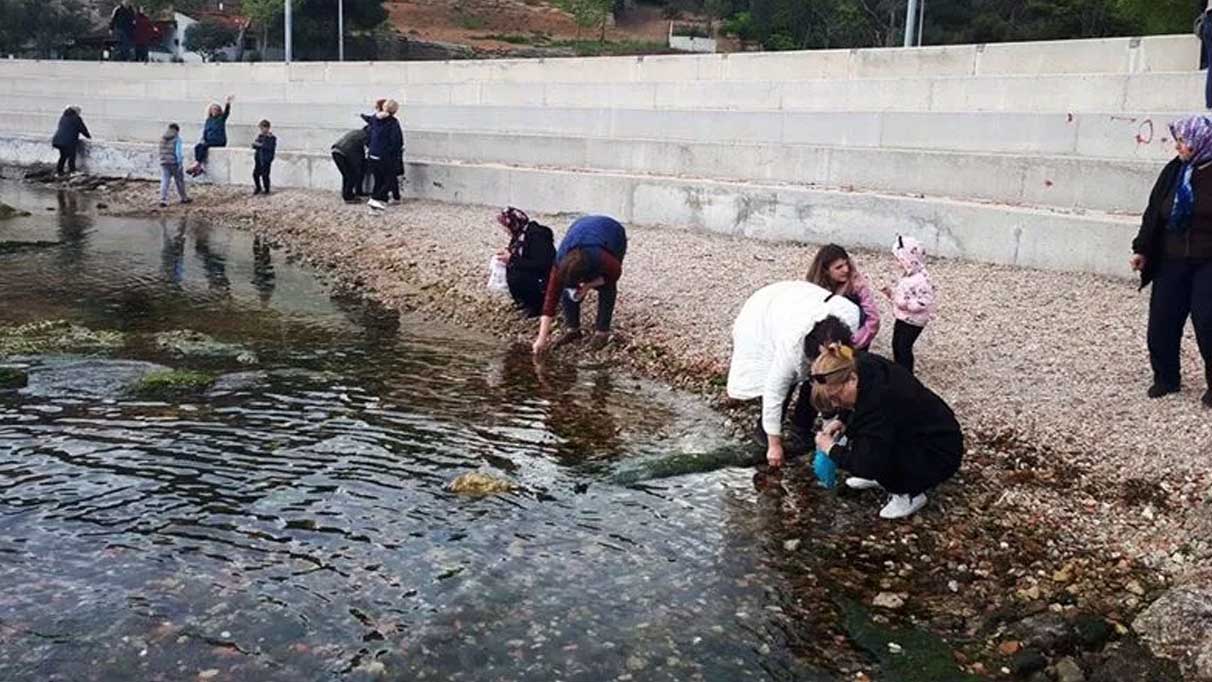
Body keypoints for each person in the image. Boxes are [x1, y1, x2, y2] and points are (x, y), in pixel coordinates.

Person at [810, 343, 963, 519]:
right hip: (923, 428)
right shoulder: (861, 364)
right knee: (869, 442)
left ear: (852, 379)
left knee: (871, 458)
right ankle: (884, 477)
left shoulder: (879, 404)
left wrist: (830, 448)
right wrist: (841, 419)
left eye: (836, 397)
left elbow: (865, 464)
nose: (835, 404)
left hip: (938, 453)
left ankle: (909, 494)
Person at [727, 281, 861, 468]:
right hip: (767, 310)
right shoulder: (791, 350)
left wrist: (835, 422)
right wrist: (774, 445)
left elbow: (837, 379)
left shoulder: (848, 321)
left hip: (805, 300)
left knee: (820, 381)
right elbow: (774, 392)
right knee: (786, 384)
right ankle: (764, 434)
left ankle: (801, 427)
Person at [1131, 115, 1212, 407]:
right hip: (1172, 257)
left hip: (1207, 259)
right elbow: (1155, 211)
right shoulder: (1174, 171)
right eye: (1177, 140)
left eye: (1184, 141)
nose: (1178, 146)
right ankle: (1166, 377)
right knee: (1162, 319)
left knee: (1207, 318)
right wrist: (1142, 249)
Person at [531, 215, 627, 355]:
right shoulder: (560, 264)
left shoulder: (601, 258)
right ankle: (573, 330)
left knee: (607, 287)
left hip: (612, 232)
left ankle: (602, 332)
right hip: (580, 227)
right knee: (568, 290)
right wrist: (541, 339)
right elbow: (550, 301)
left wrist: (588, 285)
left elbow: (615, 274)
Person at [879, 236, 937, 374]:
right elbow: (903, 295)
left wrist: (908, 305)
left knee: (904, 346)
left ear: (908, 260)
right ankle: (899, 370)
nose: (896, 262)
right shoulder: (909, 276)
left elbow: (926, 300)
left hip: (914, 321)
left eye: (898, 259)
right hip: (903, 317)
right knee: (896, 344)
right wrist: (891, 294)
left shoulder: (921, 280)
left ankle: (905, 374)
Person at [806, 244, 881, 349]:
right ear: (825, 270)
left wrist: (854, 342)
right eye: (839, 267)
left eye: (847, 264)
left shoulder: (857, 285)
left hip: (854, 338)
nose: (846, 270)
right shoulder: (815, 288)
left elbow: (873, 318)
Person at [496, 207, 556, 318]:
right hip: (534, 273)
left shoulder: (537, 235)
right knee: (512, 270)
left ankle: (536, 305)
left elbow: (543, 264)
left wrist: (512, 259)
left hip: (543, 278)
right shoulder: (520, 235)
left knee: (518, 275)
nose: (505, 230)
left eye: (505, 227)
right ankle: (524, 302)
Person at [362, 100, 403, 211]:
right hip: (385, 156)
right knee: (389, 180)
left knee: (378, 180)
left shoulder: (375, 119)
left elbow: (369, 124)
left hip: (372, 154)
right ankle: (375, 199)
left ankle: (375, 206)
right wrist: (395, 152)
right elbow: (397, 141)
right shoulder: (393, 122)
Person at [187, 96, 233, 177]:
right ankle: (198, 166)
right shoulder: (208, 120)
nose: (214, 111)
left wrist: (228, 103)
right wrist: (203, 139)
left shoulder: (221, 119)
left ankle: (197, 164)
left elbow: (226, 113)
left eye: (216, 109)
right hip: (209, 140)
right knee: (198, 146)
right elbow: (205, 131)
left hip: (219, 140)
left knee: (204, 146)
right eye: (213, 110)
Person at [331, 127, 369, 203]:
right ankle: (348, 197)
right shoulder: (365, 137)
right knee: (351, 176)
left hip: (336, 151)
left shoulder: (357, 132)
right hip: (343, 153)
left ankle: (348, 195)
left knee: (347, 176)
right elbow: (357, 155)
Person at [51, 106, 91, 176]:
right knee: (72, 156)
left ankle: (59, 172)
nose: (79, 113)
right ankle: (72, 171)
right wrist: (88, 136)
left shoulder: (63, 117)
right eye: (79, 112)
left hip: (57, 140)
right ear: (76, 112)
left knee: (63, 156)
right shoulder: (76, 118)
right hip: (68, 141)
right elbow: (82, 128)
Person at [158, 123, 190, 207]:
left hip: (164, 162)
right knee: (179, 181)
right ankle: (183, 198)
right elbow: (178, 152)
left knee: (165, 180)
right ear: (177, 130)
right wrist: (180, 162)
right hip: (174, 163)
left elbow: (160, 150)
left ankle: (163, 199)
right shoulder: (177, 139)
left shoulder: (162, 138)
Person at [251, 119, 276, 196]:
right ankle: (258, 187)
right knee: (255, 174)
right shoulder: (260, 136)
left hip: (266, 159)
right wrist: (259, 145)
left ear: (268, 128)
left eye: (264, 128)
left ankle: (267, 189)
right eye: (261, 128)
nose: (262, 130)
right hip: (258, 158)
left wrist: (260, 145)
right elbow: (254, 145)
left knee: (265, 175)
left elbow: (268, 147)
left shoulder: (271, 137)